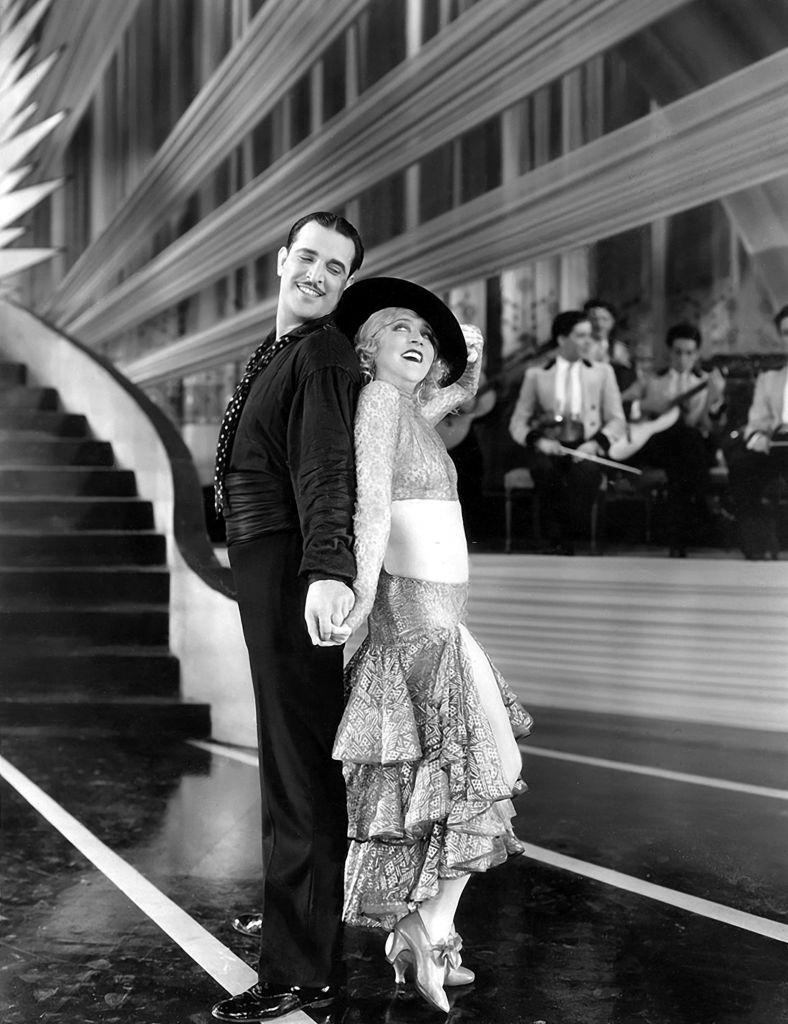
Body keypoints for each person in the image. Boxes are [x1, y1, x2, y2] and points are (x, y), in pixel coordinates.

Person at [330, 278, 533, 1014]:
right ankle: (427, 932)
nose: (416, 338)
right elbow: (374, 504)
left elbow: (463, 390)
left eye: (424, 331)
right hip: (419, 623)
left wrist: (462, 345)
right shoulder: (381, 404)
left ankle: (426, 936)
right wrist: (355, 596)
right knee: (488, 769)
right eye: (396, 328)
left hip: (446, 618)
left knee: (466, 780)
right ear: (364, 348)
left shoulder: (413, 408)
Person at [210, 211, 364, 1023]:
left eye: (335, 268)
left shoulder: (325, 354)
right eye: (308, 257)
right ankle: (294, 927)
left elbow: (326, 466)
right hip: (266, 559)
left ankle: (299, 971)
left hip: (291, 563)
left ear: (343, 284)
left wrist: (328, 569)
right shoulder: (282, 352)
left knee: (300, 763)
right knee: (286, 755)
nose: (317, 274)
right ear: (282, 260)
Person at [508, 310, 626, 553]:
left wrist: (594, 445)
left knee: (584, 472)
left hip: (587, 444)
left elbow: (617, 420)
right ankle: (557, 542)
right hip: (550, 445)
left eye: (589, 336)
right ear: (562, 339)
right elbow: (518, 422)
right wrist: (538, 441)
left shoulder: (603, 372)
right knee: (544, 469)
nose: (587, 342)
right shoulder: (537, 375)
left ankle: (566, 541)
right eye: (580, 335)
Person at [636, 323, 726, 556]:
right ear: (669, 351)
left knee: (685, 453)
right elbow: (627, 408)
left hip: (690, 449)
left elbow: (708, 426)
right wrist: (647, 405)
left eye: (689, 352)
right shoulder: (651, 380)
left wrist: (714, 399)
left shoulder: (707, 381)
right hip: (660, 446)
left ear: (697, 354)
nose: (683, 358)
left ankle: (677, 543)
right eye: (677, 352)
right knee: (684, 445)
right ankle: (705, 502)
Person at [726, 304, 788, 559]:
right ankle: (755, 547)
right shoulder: (770, 379)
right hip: (779, 444)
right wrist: (758, 436)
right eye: (786, 333)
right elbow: (756, 421)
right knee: (741, 463)